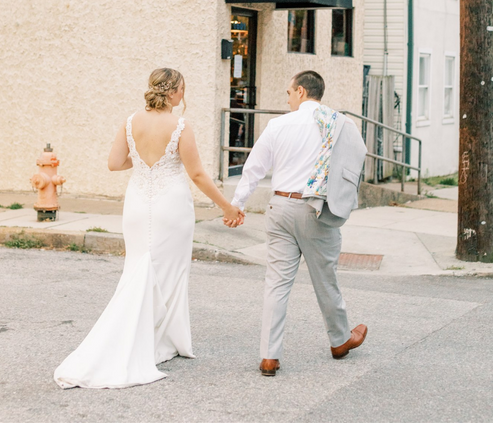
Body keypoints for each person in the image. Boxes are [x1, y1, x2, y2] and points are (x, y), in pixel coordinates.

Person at [53, 68, 245, 389]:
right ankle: (155, 341)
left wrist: (143, 161)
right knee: (168, 272)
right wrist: (227, 207)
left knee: (138, 268)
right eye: (182, 90)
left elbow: (115, 162)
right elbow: (197, 175)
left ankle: (154, 340)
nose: (184, 95)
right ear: (172, 93)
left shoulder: (131, 122)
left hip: (138, 204)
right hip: (171, 206)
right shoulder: (180, 126)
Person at [230, 70, 368, 376]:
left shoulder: (278, 125)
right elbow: (356, 160)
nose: (289, 99)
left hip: (279, 206)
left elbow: (254, 167)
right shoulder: (340, 124)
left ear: (302, 92)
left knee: (276, 283)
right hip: (315, 208)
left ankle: (269, 356)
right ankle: (340, 340)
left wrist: (237, 204)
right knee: (325, 280)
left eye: (289, 93)